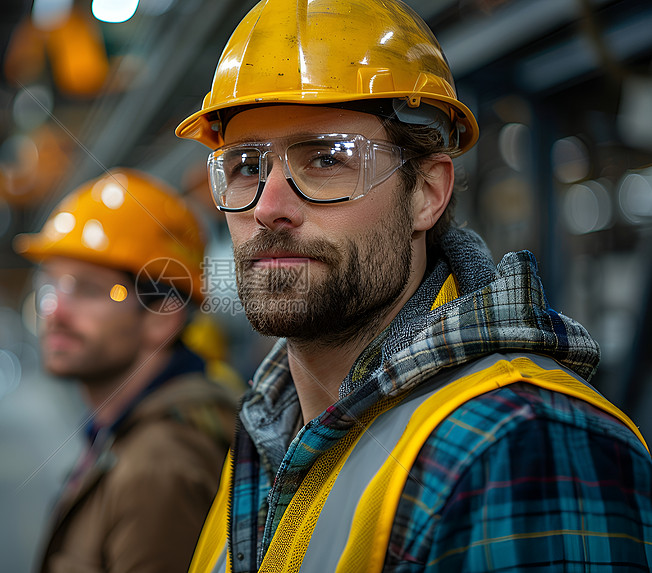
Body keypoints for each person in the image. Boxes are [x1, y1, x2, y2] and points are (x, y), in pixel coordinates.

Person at [174, 0, 652, 571]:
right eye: (247, 167)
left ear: (426, 192)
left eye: (327, 158)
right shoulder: (265, 436)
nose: (270, 207)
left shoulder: (525, 445)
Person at [13, 168, 240, 573]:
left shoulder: (159, 468)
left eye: (88, 289)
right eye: (51, 285)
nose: (54, 310)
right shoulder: (124, 433)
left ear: (162, 316)